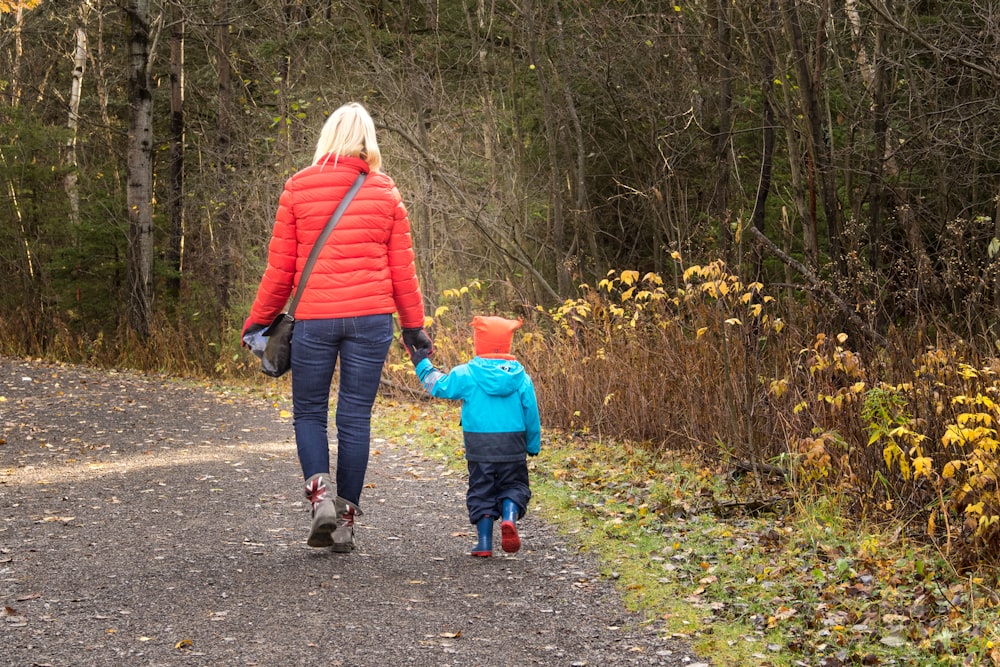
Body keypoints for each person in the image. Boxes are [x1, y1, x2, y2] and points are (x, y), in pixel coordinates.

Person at [243, 102, 433, 553]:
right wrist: (413, 328)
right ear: (369, 141)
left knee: (309, 412)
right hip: (370, 320)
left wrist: (257, 321)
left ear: (327, 138)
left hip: (315, 318)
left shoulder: (297, 188)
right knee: (354, 418)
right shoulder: (386, 192)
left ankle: (320, 498)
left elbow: (281, 271)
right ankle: (346, 522)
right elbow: (402, 271)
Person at [410, 315, 541, 557]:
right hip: (513, 445)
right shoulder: (522, 377)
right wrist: (533, 444)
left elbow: (440, 386)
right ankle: (509, 517)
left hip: (479, 446)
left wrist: (421, 364)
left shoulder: (466, 373)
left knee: (481, 489)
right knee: (514, 485)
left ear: (479, 342)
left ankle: (483, 543)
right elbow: (531, 413)